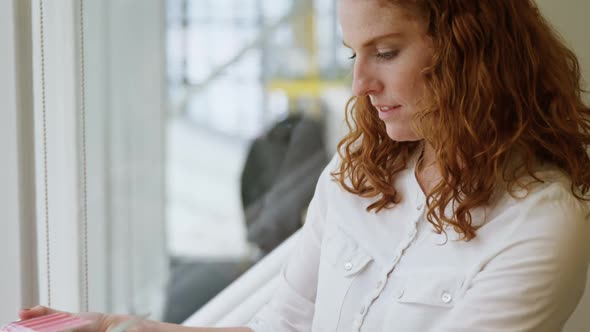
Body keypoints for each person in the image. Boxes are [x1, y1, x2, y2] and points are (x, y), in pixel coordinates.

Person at [20, 0, 590, 331]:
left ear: (473, 50)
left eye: (385, 52)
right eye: (353, 54)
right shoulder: (355, 178)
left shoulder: (541, 223)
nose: (360, 83)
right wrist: (117, 329)